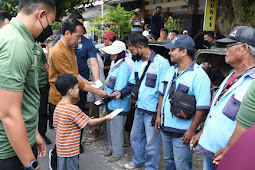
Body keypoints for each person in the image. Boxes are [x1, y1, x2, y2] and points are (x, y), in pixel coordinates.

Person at [0, 0, 56, 169]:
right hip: (10, 149)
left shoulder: (21, 39)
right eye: (49, 23)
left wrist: (34, 132)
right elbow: (9, 114)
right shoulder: (15, 44)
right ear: (41, 15)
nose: (48, 29)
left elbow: (21, 100)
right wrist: (31, 165)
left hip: (20, 138)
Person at [48, 18, 109, 170]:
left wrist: (91, 84)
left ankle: (70, 159)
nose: (80, 40)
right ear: (67, 33)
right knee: (63, 138)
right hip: (59, 100)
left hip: (72, 99)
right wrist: (98, 91)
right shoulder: (58, 52)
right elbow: (72, 79)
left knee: (74, 135)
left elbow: (76, 75)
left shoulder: (70, 47)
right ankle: (57, 161)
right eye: (78, 36)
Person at [191, 26, 255, 170]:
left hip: (234, 157)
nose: (225, 49)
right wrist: (202, 133)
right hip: (212, 150)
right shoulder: (231, 75)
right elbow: (217, 109)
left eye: (229, 46)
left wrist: (232, 149)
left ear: (244, 48)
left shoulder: (253, 83)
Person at [111, 33, 170, 169]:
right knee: (135, 137)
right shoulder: (138, 63)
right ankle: (138, 160)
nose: (131, 54)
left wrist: (159, 113)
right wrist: (121, 92)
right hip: (139, 108)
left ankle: (150, 167)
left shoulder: (161, 63)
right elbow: (132, 84)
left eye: (132, 51)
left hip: (153, 111)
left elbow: (165, 90)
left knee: (151, 142)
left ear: (140, 47)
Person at [155, 35, 211, 170]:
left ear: (184, 51)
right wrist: (158, 116)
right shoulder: (171, 70)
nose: (169, 53)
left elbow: (202, 108)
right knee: (169, 161)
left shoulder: (199, 76)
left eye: (172, 49)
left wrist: (192, 130)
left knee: (182, 165)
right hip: (166, 128)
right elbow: (162, 95)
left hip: (183, 133)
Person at [53, 73, 113, 170]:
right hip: (71, 150)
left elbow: (55, 125)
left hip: (61, 148)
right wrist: (106, 118)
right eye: (77, 88)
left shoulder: (58, 106)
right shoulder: (73, 109)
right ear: (70, 91)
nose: (78, 90)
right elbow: (89, 122)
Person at [101, 40, 133, 162]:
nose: (111, 55)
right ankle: (111, 147)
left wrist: (105, 98)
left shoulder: (124, 67)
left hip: (118, 104)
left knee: (116, 129)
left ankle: (117, 152)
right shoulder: (116, 64)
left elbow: (118, 91)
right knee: (110, 127)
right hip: (110, 102)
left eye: (113, 53)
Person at [34, 43, 51, 145]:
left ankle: (42, 133)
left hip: (42, 84)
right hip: (28, 86)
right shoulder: (21, 46)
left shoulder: (38, 48)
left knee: (43, 110)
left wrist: (51, 80)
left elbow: (45, 64)